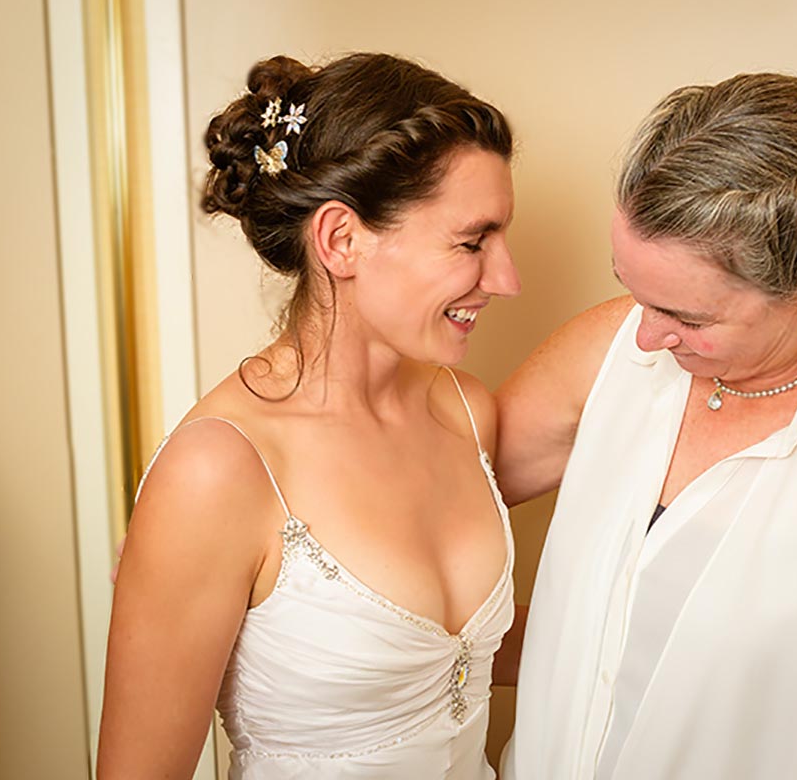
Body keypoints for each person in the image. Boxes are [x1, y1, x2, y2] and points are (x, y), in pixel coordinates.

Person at [495, 74, 797, 778]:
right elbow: (424, 527)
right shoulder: (611, 346)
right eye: (634, 293)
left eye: (689, 319)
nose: (643, 338)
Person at [97, 53, 520, 779]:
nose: (506, 278)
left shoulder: (464, 411)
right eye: (471, 242)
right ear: (340, 240)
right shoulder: (218, 472)